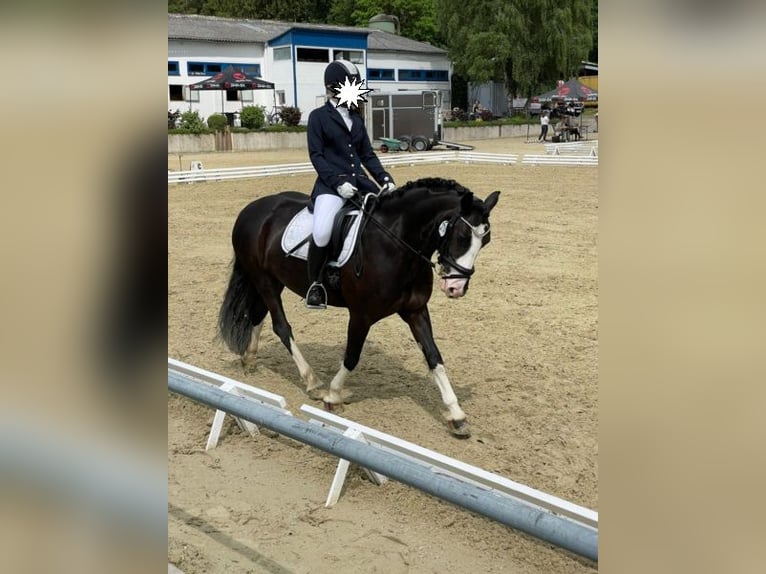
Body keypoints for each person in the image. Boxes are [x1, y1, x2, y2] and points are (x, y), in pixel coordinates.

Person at [304, 59, 396, 310]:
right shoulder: (318, 117)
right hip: (330, 186)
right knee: (322, 231)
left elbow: (367, 155)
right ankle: (315, 285)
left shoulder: (356, 119)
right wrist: (336, 183)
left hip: (359, 184)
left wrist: (385, 179)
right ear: (334, 88)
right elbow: (317, 156)